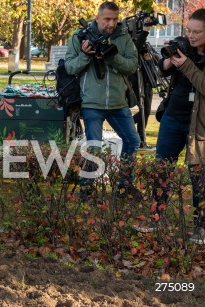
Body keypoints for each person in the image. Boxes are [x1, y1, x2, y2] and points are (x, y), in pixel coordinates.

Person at [64, 1, 139, 197]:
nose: (111, 23)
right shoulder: (79, 36)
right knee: (94, 147)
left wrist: (111, 56)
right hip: (91, 103)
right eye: (107, 19)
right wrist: (85, 55)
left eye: (115, 19)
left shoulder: (123, 37)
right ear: (97, 18)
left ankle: (124, 185)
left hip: (118, 103)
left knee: (132, 141)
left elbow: (132, 66)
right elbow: (70, 67)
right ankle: (87, 191)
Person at [151, 9, 205, 243]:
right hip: (173, 117)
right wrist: (167, 60)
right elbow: (161, 72)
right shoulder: (185, 48)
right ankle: (154, 218)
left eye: (197, 32)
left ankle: (200, 228)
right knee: (162, 168)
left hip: (199, 125)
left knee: (199, 177)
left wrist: (186, 65)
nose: (191, 36)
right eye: (189, 31)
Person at [129, 20, 155, 149]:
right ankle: (127, 125)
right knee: (144, 111)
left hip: (147, 81)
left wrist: (150, 59)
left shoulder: (145, 46)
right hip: (137, 81)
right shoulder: (132, 44)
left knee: (146, 110)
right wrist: (145, 31)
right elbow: (135, 49)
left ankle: (141, 140)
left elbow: (155, 60)